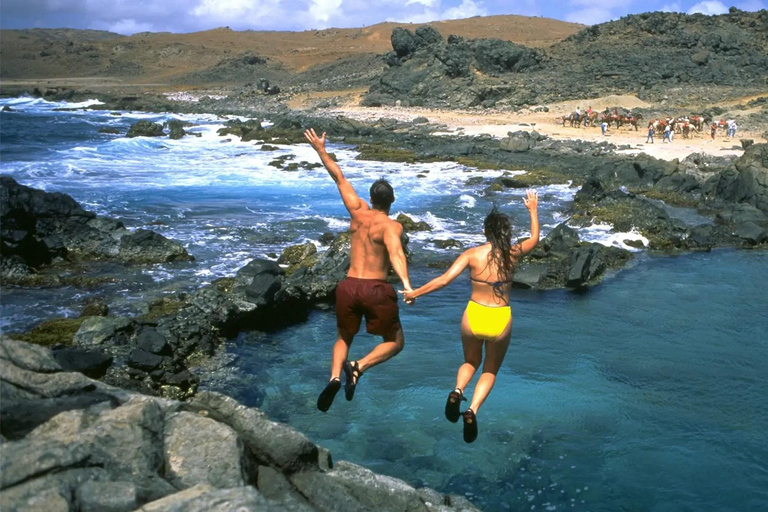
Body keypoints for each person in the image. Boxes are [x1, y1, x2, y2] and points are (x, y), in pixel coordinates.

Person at [402, 190, 540, 443]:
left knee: (471, 362)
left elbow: (444, 280)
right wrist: (533, 209)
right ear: (506, 233)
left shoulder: (471, 254)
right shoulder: (513, 254)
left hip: (474, 314)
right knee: (490, 370)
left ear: (485, 232)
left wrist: (415, 293)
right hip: (500, 318)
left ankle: (457, 390)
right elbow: (535, 238)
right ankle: (472, 409)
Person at [304, 128, 413, 412]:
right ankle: (358, 366)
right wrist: (407, 285)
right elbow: (396, 254)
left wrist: (320, 149)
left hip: (349, 286)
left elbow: (338, 177)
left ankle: (334, 377)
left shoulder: (356, 212)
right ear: (391, 202)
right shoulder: (391, 226)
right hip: (375, 288)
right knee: (396, 341)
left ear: (371, 198)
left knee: (343, 337)